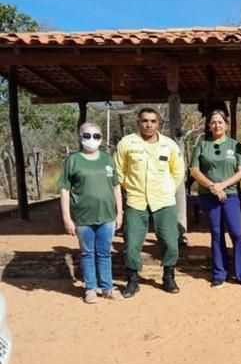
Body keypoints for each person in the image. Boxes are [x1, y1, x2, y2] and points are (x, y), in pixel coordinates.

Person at [115, 108, 185, 297]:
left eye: (153, 121)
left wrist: (169, 189)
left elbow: (178, 171)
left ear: (158, 123)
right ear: (138, 122)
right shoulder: (127, 143)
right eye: (145, 120)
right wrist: (127, 189)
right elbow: (119, 171)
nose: (149, 124)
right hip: (136, 201)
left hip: (164, 201)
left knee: (171, 241)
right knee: (131, 244)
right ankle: (132, 280)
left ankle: (168, 276)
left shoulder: (169, 145)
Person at [59, 122, 123, 303]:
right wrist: (67, 218)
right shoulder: (73, 160)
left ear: (101, 138)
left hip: (107, 216)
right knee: (87, 253)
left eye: (96, 136)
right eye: (87, 136)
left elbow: (116, 187)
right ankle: (90, 289)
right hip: (83, 217)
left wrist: (120, 213)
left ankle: (108, 287)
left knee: (104, 253)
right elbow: (64, 189)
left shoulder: (107, 160)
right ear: (80, 138)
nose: (91, 140)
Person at [190, 109, 241, 288]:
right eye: (213, 122)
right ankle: (219, 273)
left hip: (230, 194)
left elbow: (240, 173)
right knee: (217, 234)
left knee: (237, 233)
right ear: (209, 126)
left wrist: (221, 186)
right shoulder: (202, 145)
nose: (217, 125)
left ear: (226, 124)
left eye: (220, 122)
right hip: (208, 196)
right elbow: (194, 171)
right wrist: (212, 186)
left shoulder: (236, 146)